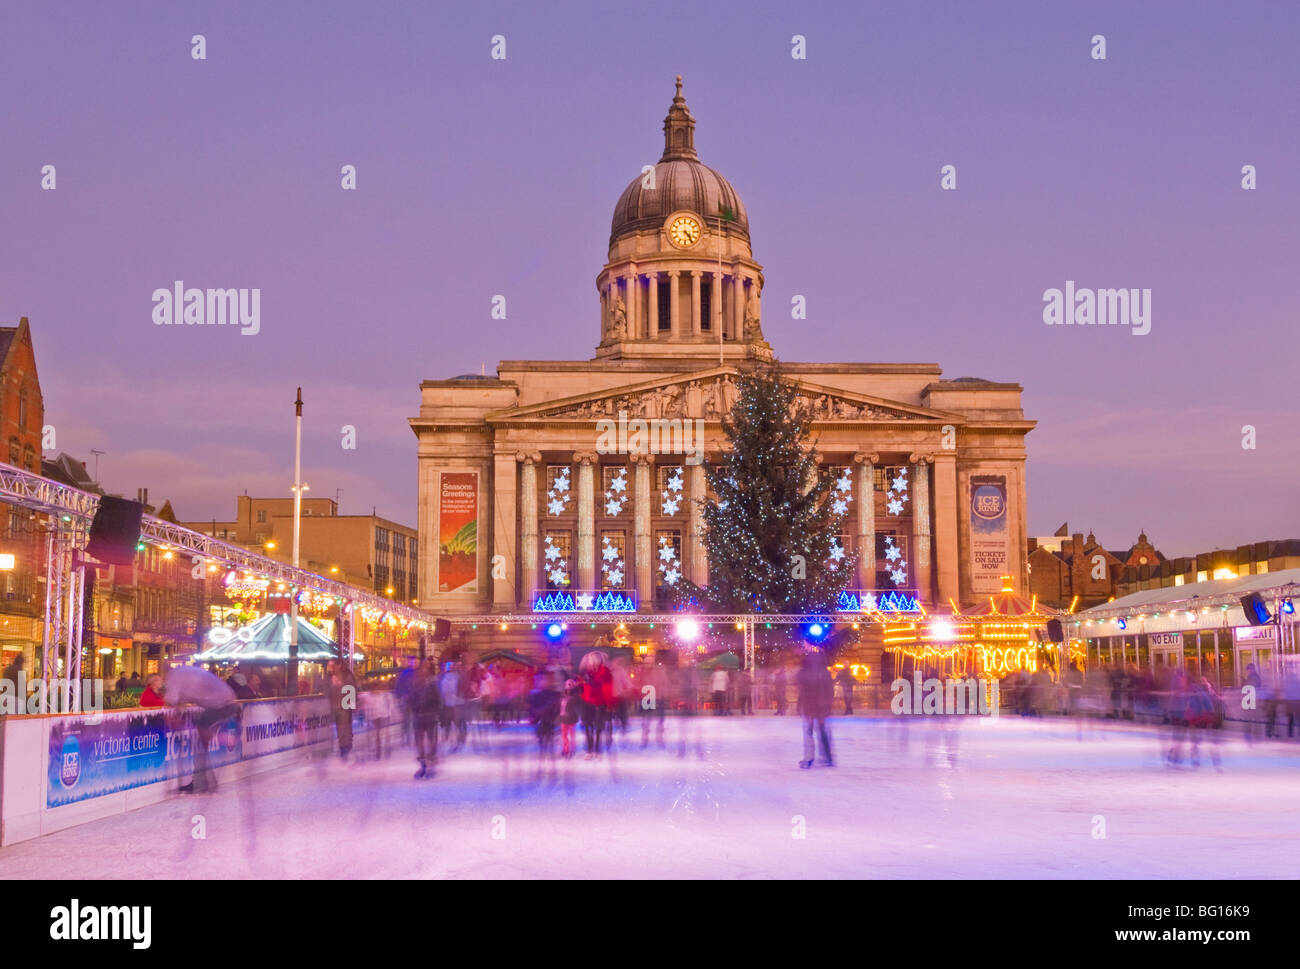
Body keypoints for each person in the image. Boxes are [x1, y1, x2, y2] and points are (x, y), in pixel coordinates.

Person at [164, 664, 239, 794]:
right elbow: (183, 699)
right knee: (200, 744)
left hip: (219, 705)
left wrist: (173, 715)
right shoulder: (186, 672)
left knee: (202, 737)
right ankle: (201, 781)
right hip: (228, 702)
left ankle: (225, 739)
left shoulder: (173, 677)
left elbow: (172, 699)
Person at [796, 651, 834, 769]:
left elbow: (802, 690)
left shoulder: (805, 672)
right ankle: (828, 758)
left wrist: (799, 705)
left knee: (808, 732)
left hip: (809, 706)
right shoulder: (825, 672)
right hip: (821, 707)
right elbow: (830, 691)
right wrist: (828, 705)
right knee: (823, 732)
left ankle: (808, 757)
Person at [411, 659, 442, 779]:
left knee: (431, 739)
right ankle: (423, 762)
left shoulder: (432, 684)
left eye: (424, 671)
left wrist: (437, 713)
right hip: (418, 716)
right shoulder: (415, 685)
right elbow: (411, 699)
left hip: (429, 716)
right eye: (420, 672)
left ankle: (430, 761)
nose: (422, 674)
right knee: (419, 740)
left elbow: (438, 701)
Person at [580, 650, 613, 759]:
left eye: (596, 659)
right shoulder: (586, 673)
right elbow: (581, 686)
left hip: (600, 703)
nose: (594, 661)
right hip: (587, 702)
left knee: (598, 729)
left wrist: (587, 682)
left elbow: (601, 684)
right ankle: (589, 750)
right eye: (592, 659)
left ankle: (597, 750)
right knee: (588, 727)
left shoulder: (604, 671)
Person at [327, 662, 357, 760]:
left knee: (344, 729)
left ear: (339, 666)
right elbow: (327, 691)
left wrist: (352, 706)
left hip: (344, 707)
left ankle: (345, 749)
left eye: (333, 665)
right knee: (340, 730)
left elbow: (352, 689)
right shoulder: (329, 677)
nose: (331, 668)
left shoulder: (347, 676)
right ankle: (343, 747)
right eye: (330, 666)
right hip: (335, 707)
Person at [559, 677, 582, 758]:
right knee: (564, 735)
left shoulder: (575, 697)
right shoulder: (562, 696)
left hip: (571, 718)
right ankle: (565, 749)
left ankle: (572, 748)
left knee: (572, 735)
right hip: (563, 718)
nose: (568, 688)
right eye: (567, 686)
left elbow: (577, 704)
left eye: (570, 686)